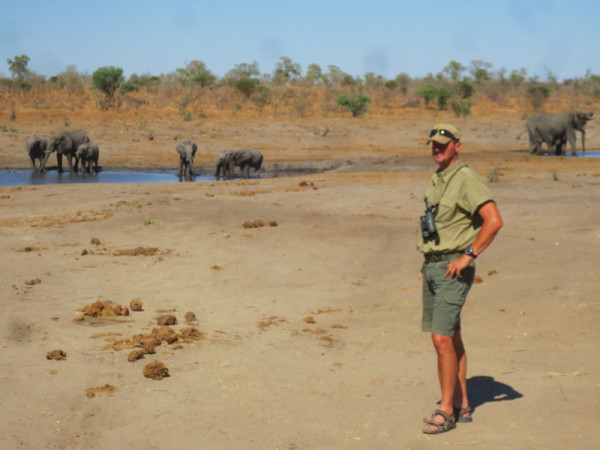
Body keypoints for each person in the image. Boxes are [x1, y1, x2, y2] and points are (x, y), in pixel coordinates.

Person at [417, 124, 503, 434]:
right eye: (434, 144)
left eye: (443, 144)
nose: (437, 148)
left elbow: (494, 221)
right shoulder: (439, 178)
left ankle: (446, 410)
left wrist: (468, 255)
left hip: (453, 268)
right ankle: (462, 403)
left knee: (440, 339)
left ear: (458, 146)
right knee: (451, 337)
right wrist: (428, 261)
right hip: (434, 265)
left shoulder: (467, 178)